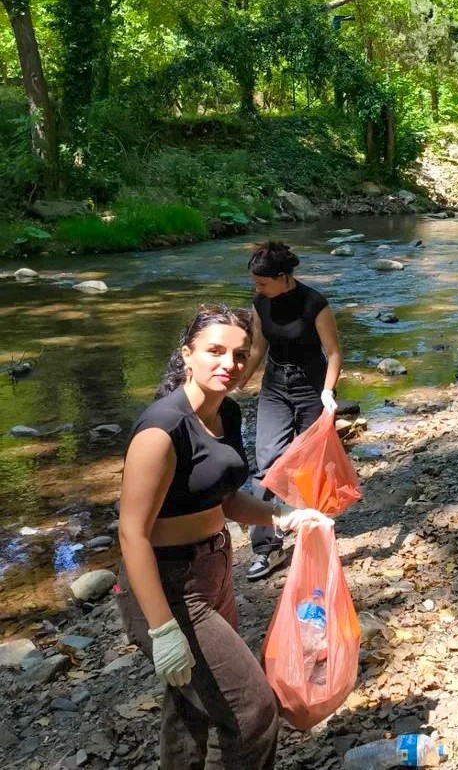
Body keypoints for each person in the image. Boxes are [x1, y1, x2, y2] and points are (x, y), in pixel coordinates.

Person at [115, 304, 332, 769]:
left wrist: (286, 516)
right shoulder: (161, 429)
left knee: (194, 705)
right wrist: (162, 629)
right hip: (167, 585)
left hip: (214, 569)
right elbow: (131, 534)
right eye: (215, 351)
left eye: (240, 354)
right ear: (187, 354)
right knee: (253, 712)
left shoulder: (226, 413)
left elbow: (227, 501)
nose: (229, 364)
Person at [236, 241, 343, 580]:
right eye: (255, 282)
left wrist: (328, 391)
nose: (257, 288)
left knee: (313, 465)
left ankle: (316, 531)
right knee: (267, 462)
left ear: (283, 277)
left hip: (312, 385)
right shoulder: (260, 303)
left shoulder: (314, 304)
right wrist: (238, 381)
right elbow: (258, 348)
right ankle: (267, 548)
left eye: (262, 283)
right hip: (275, 385)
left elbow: (334, 352)